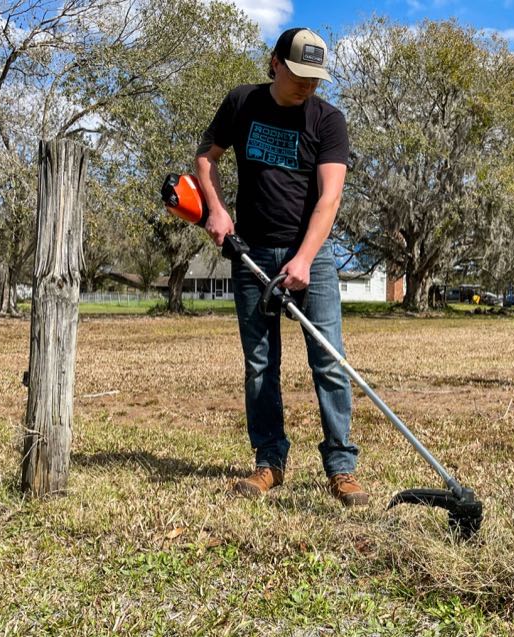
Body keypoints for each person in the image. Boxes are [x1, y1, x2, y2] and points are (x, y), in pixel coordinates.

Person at [194, 27, 368, 506]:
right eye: (299, 75)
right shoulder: (242, 102)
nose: (307, 85)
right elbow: (205, 160)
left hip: (312, 256)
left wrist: (306, 259)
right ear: (274, 62)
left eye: (315, 78)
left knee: (329, 361)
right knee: (259, 365)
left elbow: (330, 197)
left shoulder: (328, 120)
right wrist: (217, 209)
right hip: (252, 255)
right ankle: (269, 462)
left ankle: (341, 467)